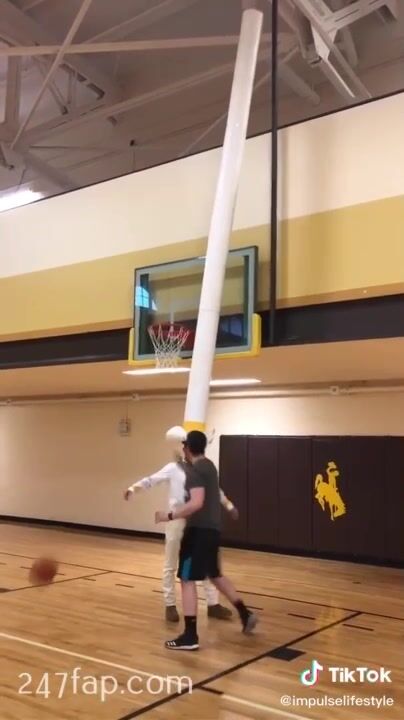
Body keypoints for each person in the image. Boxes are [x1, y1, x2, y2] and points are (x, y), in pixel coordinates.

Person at [155, 430, 257, 650]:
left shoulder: (195, 471)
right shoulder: (210, 466)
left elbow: (196, 503)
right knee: (215, 575)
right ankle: (245, 613)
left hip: (197, 532)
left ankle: (190, 635)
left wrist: (169, 516)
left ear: (187, 448)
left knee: (186, 578)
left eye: (184, 446)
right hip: (212, 531)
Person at [124, 426, 238, 623]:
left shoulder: (201, 470)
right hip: (176, 521)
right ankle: (170, 605)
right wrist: (133, 488)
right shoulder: (172, 468)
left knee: (206, 563)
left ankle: (213, 604)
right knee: (170, 564)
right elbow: (151, 480)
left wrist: (228, 505)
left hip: (197, 523)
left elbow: (215, 491)